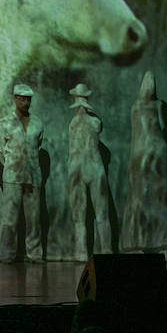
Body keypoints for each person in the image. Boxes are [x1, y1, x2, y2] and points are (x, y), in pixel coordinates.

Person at [121, 71, 167, 257]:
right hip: (142, 155)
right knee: (139, 199)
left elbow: (163, 128)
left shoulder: (157, 105)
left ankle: (162, 244)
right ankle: (136, 242)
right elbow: (136, 135)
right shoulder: (136, 107)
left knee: (160, 199)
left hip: (157, 154)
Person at [0, 83, 46, 263]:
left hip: (33, 176)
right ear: (14, 99)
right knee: (10, 219)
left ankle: (35, 253)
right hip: (13, 176)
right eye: (21, 98)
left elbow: (37, 145)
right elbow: (0, 152)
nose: (25, 102)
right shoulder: (4, 123)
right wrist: (13, 165)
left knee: (34, 219)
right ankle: (7, 254)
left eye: (28, 99)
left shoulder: (37, 123)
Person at [67, 83, 112, 261]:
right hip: (94, 167)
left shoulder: (74, 123)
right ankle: (105, 250)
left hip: (78, 168)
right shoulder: (95, 122)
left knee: (81, 216)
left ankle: (82, 252)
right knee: (100, 213)